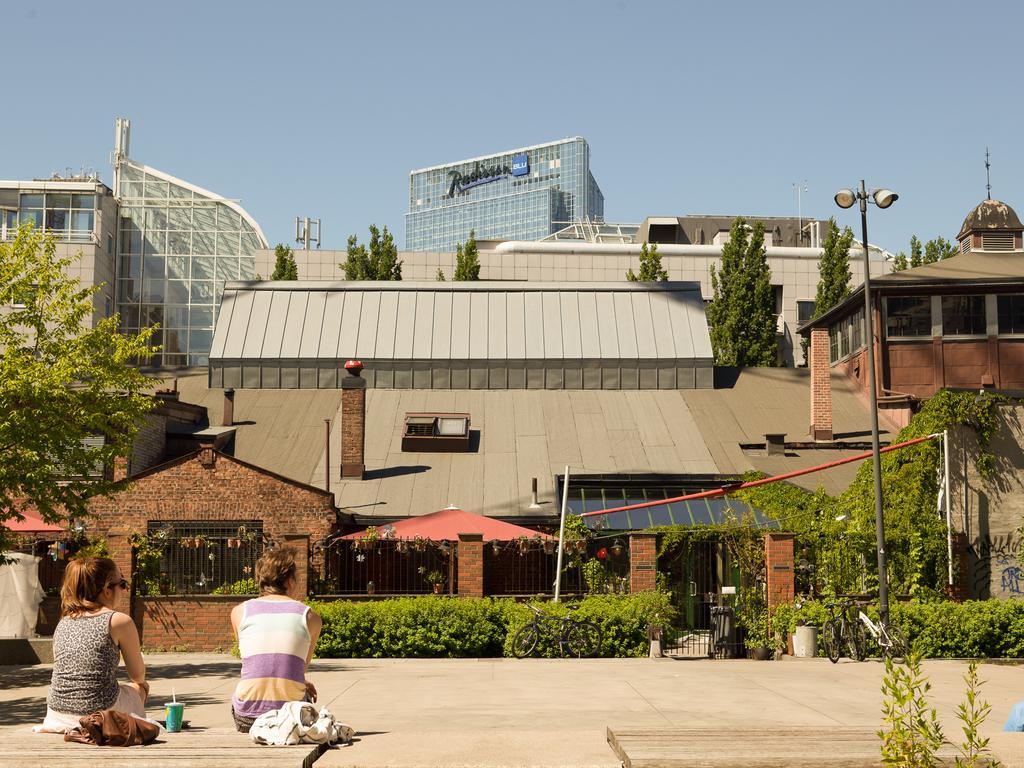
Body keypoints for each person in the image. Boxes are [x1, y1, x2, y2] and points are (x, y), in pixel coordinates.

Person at [37, 557, 148, 733]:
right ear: (107, 589)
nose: (124, 590)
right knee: (138, 687)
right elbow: (137, 675)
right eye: (122, 583)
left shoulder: (64, 622)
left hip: (56, 714)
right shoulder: (118, 621)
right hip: (101, 715)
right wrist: (142, 687)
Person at [230, 546, 322, 733]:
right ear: (289, 581)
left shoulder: (239, 612)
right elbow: (298, 666)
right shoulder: (310, 617)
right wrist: (300, 682)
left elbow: (256, 663)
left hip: (248, 718)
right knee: (306, 703)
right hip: (291, 718)